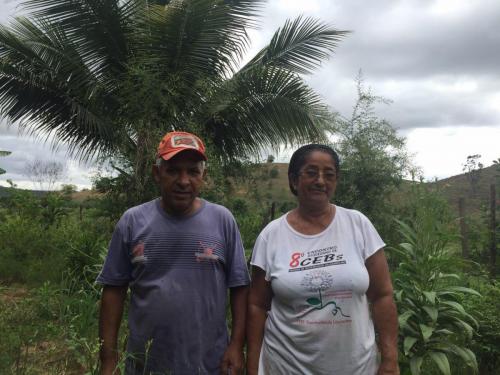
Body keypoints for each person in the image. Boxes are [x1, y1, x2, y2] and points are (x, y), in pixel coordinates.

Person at [97, 131, 250, 375]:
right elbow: (113, 290)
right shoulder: (133, 221)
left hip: (210, 364)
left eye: (193, 171)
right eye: (173, 170)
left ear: (204, 176)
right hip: (145, 363)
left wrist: (236, 346)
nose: (183, 180)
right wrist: (108, 360)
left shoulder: (223, 220)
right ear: (157, 174)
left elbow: (240, 288)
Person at [246, 144, 399, 375]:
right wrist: (252, 368)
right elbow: (257, 305)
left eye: (329, 175)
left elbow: (382, 295)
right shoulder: (272, 235)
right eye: (311, 172)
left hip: (356, 367)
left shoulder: (357, 225)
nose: (320, 181)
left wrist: (390, 359)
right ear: (294, 180)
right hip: (286, 367)